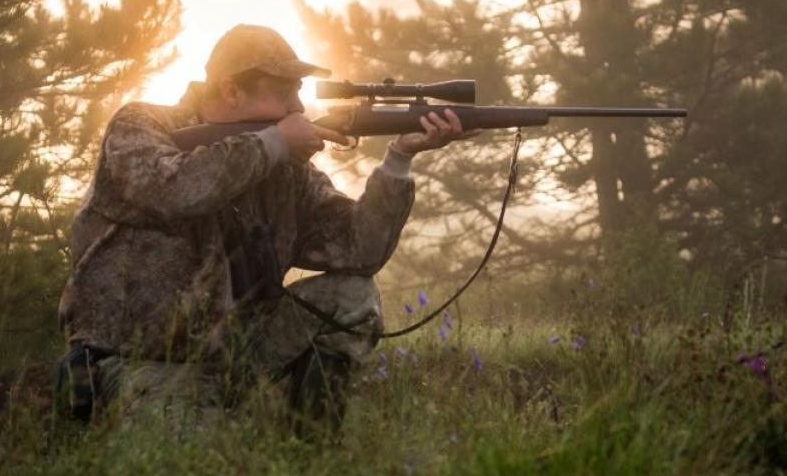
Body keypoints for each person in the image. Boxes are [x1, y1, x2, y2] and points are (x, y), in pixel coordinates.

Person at [56, 24, 476, 435]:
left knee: (352, 298)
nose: (297, 106)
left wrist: (398, 160)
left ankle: (309, 445)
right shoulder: (142, 126)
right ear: (231, 91)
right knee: (197, 474)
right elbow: (177, 189)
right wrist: (273, 143)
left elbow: (357, 249)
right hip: (138, 360)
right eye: (283, 91)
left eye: (298, 91)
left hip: (237, 350)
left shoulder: (286, 168)